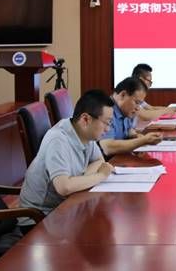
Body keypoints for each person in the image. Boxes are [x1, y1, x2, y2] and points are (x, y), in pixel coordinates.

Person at [19, 89, 116, 226]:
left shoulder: (84, 133)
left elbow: (99, 161)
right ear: (86, 119)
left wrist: (80, 180)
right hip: (39, 218)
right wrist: (100, 176)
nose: (108, 129)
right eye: (106, 123)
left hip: (65, 209)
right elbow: (64, 187)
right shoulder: (58, 140)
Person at [98, 77, 162, 156]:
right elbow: (107, 147)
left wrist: (136, 136)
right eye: (136, 102)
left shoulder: (124, 110)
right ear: (123, 95)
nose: (138, 108)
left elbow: (128, 130)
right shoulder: (105, 109)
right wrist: (142, 141)